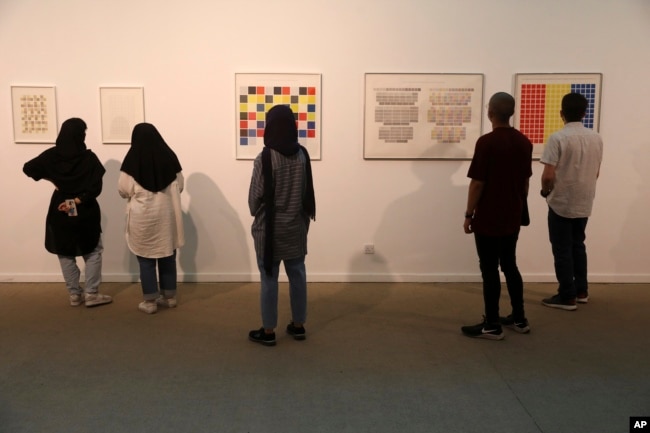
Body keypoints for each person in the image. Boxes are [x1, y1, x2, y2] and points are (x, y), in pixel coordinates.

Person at [461, 92, 533, 340]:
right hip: (512, 214)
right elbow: (525, 184)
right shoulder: (524, 142)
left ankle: (492, 324)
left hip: (489, 216)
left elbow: (477, 184)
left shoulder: (486, 143)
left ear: (490, 111)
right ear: (510, 112)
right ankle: (520, 318)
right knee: (510, 265)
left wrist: (469, 214)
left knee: (489, 269)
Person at [23, 118, 112, 307]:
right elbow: (95, 188)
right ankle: (91, 294)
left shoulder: (51, 156)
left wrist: (53, 180)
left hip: (60, 207)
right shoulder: (89, 159)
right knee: (93, 250)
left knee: (65, 252)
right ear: (81, 135)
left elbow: (28, 168)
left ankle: (74, 294)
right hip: (85, 208)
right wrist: (78, 200)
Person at [248, 105, 316, 346]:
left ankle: (268, 331)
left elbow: (255, 198)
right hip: (295, 229)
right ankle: (298, 325)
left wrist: (255, 211)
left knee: (269, 278)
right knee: (298, 275)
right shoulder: (302, 155)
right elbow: (307, 193)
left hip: (269, 232)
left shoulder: (265, 157)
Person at [540, 92, 603, 311]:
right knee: (578, 245)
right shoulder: (596, 138)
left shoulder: (557, 138)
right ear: (585, 113)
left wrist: (544, 191)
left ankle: (567, 296)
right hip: (584, 201)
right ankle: (581, 290)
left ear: (561, 113)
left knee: (562, 249)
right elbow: (596, 172)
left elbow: (548, 175)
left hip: (561, 201)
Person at [118, 123, 184, 314]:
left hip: (143, 217)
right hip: (166, 217)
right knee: (167, 255)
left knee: (146, 258)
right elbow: (179, 185)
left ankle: (150, 302)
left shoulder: (132, 160)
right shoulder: (170, 157)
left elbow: (124, 189)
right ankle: (170, 297)